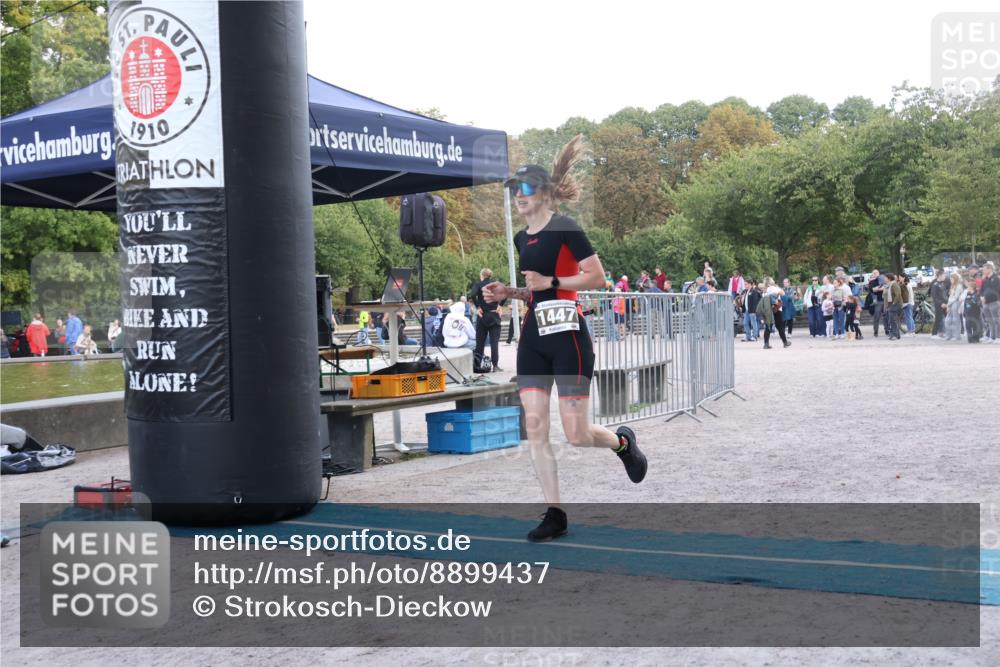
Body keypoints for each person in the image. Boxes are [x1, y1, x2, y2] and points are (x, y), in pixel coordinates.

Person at [483, 137, 647, 542]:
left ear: (543, 192)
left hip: (569, 337)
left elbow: (597, 278)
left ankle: (621, 442)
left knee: (576, 433)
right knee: (536, 427)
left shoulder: (566, 228)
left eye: (523, 190)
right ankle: (555, 513)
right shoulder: (523, 239)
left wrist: (551, 280)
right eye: (513, 192)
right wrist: (510, 293)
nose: (517, 198)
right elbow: (538, 291)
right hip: (533, 338)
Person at [470, 268, 505, 372]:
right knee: (494, 342)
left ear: (482, 275)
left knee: (480, 342)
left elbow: (472, 294)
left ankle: (477, 365)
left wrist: (478, 307)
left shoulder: (478, 284)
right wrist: (500, 305)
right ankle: (495, 366)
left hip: (482, 315)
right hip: (494, 314)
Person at [756, 278, 790, 349]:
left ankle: (766, 343)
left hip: (768, 310)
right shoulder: (774, 288)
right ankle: (785, 342)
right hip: (776, 309)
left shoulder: (764, 291)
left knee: (768, 326)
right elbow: (783, 293)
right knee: (780, 326)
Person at [980, 261, 1000, 343]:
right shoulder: (985, 280)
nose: (983, 271)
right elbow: (982, 290)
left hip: (994, 302)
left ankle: (998, 337)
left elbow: (995, 291)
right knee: (989, 321)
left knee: (996, 320)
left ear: (990, 269)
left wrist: (986, 298)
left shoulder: (996, 278)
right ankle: (992, 337)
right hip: (986, 303)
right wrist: (982, 297)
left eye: (985, 269)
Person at [944, 273, 967, 341]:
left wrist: (948, 304)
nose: (951, 280)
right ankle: (949, 335)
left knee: (955, 320)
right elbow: (950, 296)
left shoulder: (959, 286)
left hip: (956, 303)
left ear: (955, 279)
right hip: (951, 303)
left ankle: (956, 335)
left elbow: (956, 297)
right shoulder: (952, 286)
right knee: (948, 320)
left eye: (952, 278)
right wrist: (948, 304)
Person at [930, 269, 949, 338]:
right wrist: (941, 303)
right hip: (939, 305)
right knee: (938, 319)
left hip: (945, 304)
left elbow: (945, 295)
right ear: (940, 276)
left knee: (948, 318)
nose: (945, 276)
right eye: (944, 275)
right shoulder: (935, 285)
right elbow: (935, 297)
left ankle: (947, 332)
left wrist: (947, 303)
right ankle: (934, 334)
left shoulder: (942, 284)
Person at [867, 270, 886, 337]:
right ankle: (875, 332)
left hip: (885, 300)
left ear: (879, 273)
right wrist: (880, 288)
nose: (875, 274)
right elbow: (872, 289)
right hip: (877, 301)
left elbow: (885, 287)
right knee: (876, 317)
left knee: (886, 316)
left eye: (876, 273)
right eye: (873, 273)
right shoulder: (872, 282)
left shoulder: (883, 279)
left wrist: (877, 288)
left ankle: (887, 330)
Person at [885, 273, 902, 340]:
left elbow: (898, 294)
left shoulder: (894, 284)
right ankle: (897, 335)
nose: (884, 279)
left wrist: (894, 303)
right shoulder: (890, 285)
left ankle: (894, 335)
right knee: (892, 320)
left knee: (893, 320)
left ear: (889, 278)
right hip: (892, 304)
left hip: (895, 304)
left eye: (885, 278)